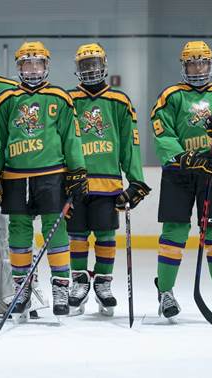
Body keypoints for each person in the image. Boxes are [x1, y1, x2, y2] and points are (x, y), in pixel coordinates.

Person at [150, 40, 212, 323]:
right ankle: (165, 292)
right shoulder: (172, 95)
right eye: (192, 62)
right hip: (179, 174)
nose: (198, 68)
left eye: (202, 62)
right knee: (174, 234)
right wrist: (185, 157)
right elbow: (162, 133)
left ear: (210, 64)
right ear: (184, 66)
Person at [0, 41, 88, 321]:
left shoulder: (60, 97)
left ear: (46, 66)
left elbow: (72, 137)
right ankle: (22, 287)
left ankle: (60, 286)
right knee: (19, 230)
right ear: (19, 67)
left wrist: (77, 170)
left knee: (55, 228)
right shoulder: (6, 100)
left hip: (51, 174)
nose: (32, 69)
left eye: (37, 63)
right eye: (26, 63)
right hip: (15, 176)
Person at [67, 43, 150, 316]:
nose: (90, 70)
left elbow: (130, 143)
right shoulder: (68, 100)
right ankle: (79, 282)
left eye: (94, 64)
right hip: (77, 183)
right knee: (77, 235)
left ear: (103, 65)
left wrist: (136, 180)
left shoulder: (119, 101)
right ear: (77, 69)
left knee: (104, 235)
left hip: (107, 184)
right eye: (84, 65)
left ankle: (103, 282)